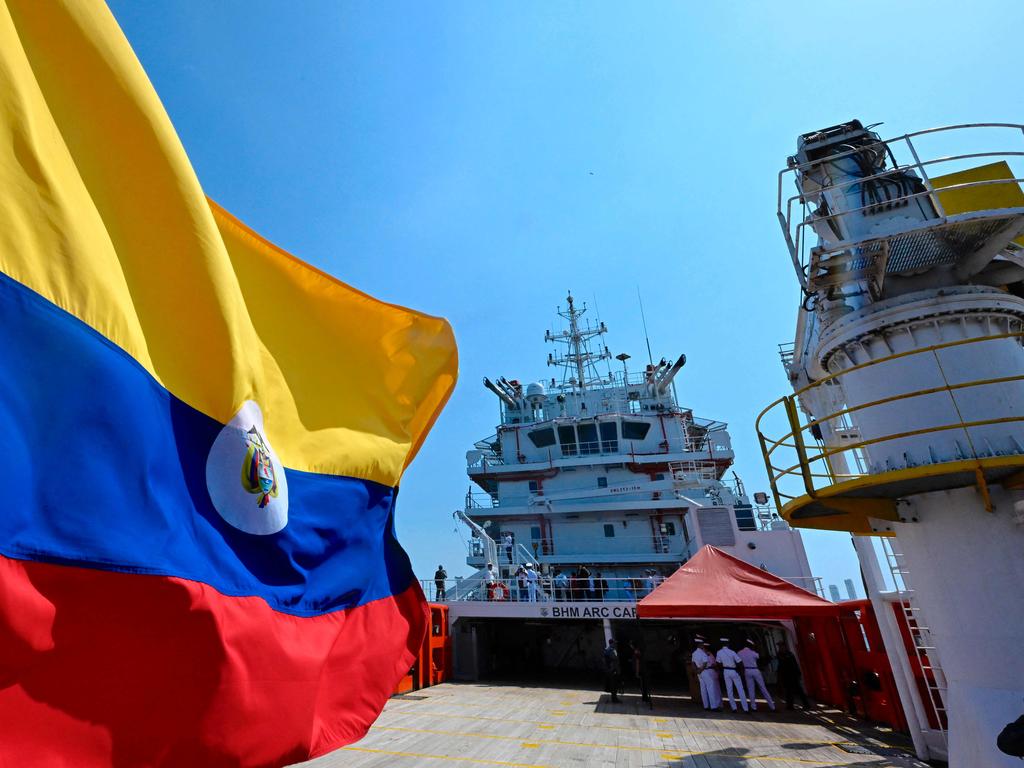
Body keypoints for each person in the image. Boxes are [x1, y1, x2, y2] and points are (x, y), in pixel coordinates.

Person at [738, 639, 774, 712]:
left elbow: (739, 662)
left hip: (747, 670)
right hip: (755, 670)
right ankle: (772, 706)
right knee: (763, 688)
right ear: (750, 645)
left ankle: (753, 707)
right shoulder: (753, 652)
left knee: (750, 689)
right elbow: (758, 657)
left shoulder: (739, 653)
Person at [716, 638, 749, 713]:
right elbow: (740, 662)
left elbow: (718, 662)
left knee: (729, 690)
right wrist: (742, 672)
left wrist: (721, 671)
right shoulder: (732, 652)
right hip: (733, 671)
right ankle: (745, 708)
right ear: (728, 644)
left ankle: (734, 708)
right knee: (740, 689)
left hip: (726, 671)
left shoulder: (719, 652)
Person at [776, 641, 811, 710]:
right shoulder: (782, 655)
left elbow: (794, 665)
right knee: (789, 691)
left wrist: (798, 673)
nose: (780, 648)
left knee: (798, 691)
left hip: (792, 675)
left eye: (781, 646)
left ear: (784, 647)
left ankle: (805, 704)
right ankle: (790, 706)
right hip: (786, 676)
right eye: (779, 647)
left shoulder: (788, 654)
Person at [691, 639, 715, 710]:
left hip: (699, 672)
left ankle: (706, 706)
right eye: (702, 644)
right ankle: (713, 706)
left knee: (703, 689)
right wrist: (700, 670)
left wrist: (696, 671)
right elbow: (705, 663)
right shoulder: (702, 653)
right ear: (700, 645)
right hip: (704, 671)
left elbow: (693, 663)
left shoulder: (694, 653)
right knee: (710, 688)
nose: (703, 645)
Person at [700, 640, 722, 710]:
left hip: (704, 671)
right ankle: (715, 705)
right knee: (714, 689)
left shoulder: (702, 654)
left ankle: (707, 705)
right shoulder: (709, 654)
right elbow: (714, 664)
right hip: (710, 671)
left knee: (705, 689)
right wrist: (718, 671)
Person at [630, 640, 651, 707]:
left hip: (641, 671)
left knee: (642, 685)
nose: (630, 646)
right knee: (643, 685)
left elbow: (637, 662)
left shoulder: (636, 651)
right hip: (642, 670)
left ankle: (645, 698)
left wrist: (637, 672)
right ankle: (645, 697)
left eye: (630, 645)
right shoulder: (638, 651)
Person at [603, 638, 622, 703]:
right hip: (613, 669)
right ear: (612, 643)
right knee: (614, 685)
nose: (615, 644)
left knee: (612, 684)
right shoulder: (612, 650)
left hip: (609, 670)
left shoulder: (606, 649)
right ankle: (614, 699)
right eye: (614, 643)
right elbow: (616, 659)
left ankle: (614, 698)